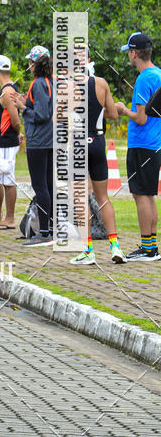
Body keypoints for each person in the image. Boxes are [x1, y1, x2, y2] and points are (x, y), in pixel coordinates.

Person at [70, 56, 126, 265]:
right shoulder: (101, 83)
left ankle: (88, 250)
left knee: (80, 198)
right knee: (103, 198)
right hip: (96, 141)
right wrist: (115, 107)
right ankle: (115, 246)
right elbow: (112, 114)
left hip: (77, 143)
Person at [115, 32, 161, 261]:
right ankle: (151, 244)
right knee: (149, 195)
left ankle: (148, 248)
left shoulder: (144, 78)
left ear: (134, 53)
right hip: (155, 143)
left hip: (142, 143)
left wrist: (123, 110)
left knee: (141, 195)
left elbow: (141, 118)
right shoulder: (159, 74)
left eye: (129, 53)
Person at [15, 46, 54, 246]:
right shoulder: (50, 82)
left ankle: (44, 231)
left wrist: (23, 108)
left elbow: (41, 115)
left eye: (30, 62)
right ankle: (49, 228)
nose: (28, 66)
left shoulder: (38, 83)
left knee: (40, 186)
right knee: (47, 185)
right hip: (50, 140)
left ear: (34, 64)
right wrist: (27, 104)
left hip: (39, 141)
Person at [0, 55, 21, 230]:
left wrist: (18, 134)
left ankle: (7, 218)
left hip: (4, 143)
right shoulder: (8, 89)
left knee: (5, 180)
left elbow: (15, 121)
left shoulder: (7, 92)